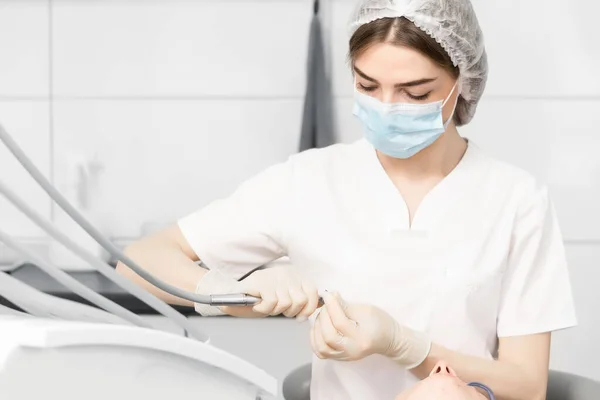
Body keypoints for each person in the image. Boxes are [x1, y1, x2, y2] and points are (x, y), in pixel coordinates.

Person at [116, 0, 577, 398]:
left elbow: (528, 385)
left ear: (463, 82)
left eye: (415, 93)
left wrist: (406, 345)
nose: (388, 106)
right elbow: (139, 262)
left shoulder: (516, 199)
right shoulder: (310, 180)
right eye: (367, 86)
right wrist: (227, 290)